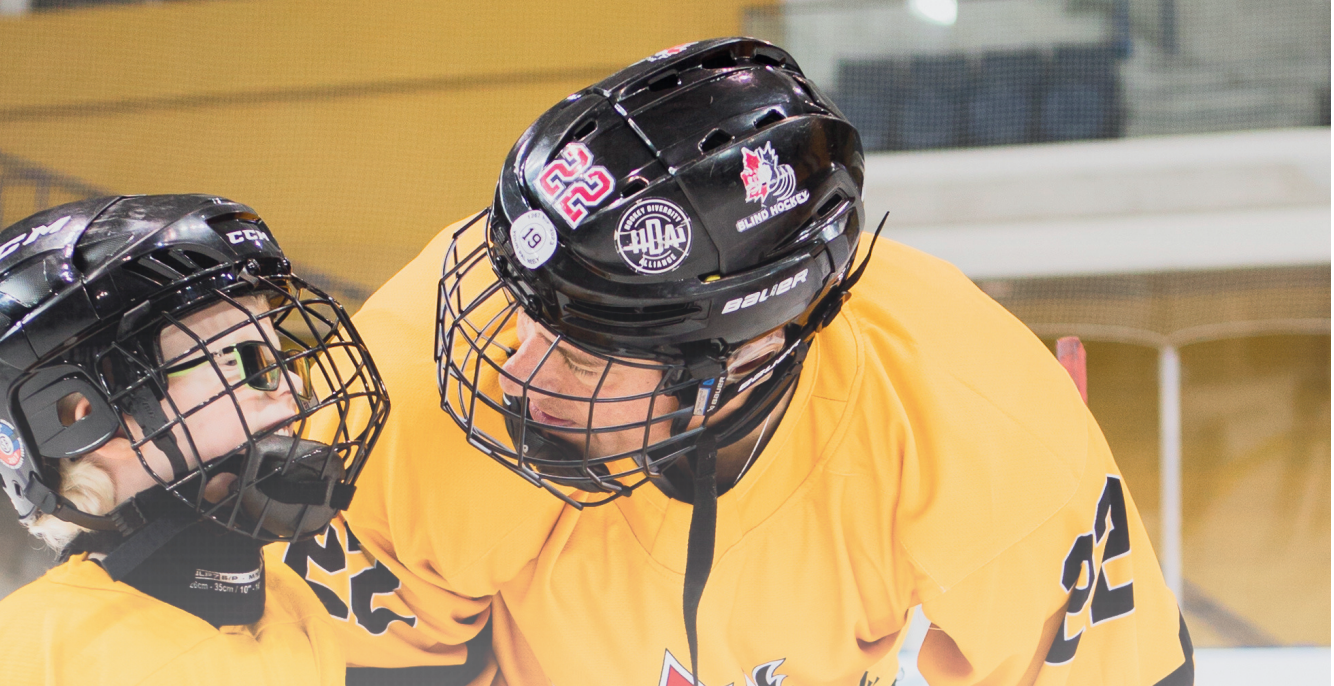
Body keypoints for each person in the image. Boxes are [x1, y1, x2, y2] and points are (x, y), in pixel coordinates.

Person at [281, 38, 1192, 686]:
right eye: (524, 313)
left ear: (747, 351)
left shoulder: (980, 423)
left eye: (585, 355)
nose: (515, 378)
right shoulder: (410, 382)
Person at [0, 194, 390, 685]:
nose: (294, 386)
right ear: (80, 415)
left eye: (278, 357)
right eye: (245, 360)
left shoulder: (293, 610)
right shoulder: (34, 656)